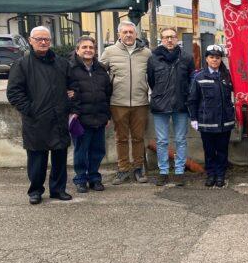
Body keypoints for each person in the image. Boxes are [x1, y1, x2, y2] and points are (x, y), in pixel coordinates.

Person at [6, 26, 72, 204]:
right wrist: (30, 110)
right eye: (39, 39)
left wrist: (69, 103)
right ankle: (35, 191)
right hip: (36, 121)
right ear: (30, 40)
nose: (43, 42)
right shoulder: (22, 64)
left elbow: (72, 86)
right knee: (37, 160)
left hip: (59, 118)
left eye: (46, 39)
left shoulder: (62, 63)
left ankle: (58, 189)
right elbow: (14, 93)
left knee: (59, 158)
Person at [100, 21, 152, 184]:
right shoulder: (109, 52)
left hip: (140, 102)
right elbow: (99, 75)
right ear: (119, 35)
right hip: (118, 102)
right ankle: (123, 168)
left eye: (131, 32)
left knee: (138, 137)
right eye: (125, 32)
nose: (128, 35)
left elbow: (153, 75)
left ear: (136, 34)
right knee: (121, 138)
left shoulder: (146, 53)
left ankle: (138, 168)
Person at [147, 27, 195, 187]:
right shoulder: (153, 58)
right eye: (166, 37)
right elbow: (151, 81)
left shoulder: (186, 58)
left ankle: (179, 172)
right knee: (161, 141)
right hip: (160, 105)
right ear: (161, 39)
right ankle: (163, 172)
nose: (169, 40)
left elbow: (191, 80)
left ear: (177, 39)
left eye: (172, 37)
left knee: (181, 140)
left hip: (181, 105)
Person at [68, 36, 112, 193]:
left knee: (98, 151)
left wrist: (107, 116)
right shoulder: (70, 69)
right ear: (77, 50)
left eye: (91, 48)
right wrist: (73, 112)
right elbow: (66, 93)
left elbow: (107, 94)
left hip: (99, 117)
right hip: (80, 119)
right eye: (84, 47)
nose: (88, 50)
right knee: (81, 151)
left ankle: (94, 178)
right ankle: (80, 179)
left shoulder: (100, 69)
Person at [187, 44, 235, 188]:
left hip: (224, 121)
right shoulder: (199, 76)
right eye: (212, 57)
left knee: (222, 150)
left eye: (218, 57)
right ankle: (211, 174)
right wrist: (194, 118)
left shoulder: (227, 76)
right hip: (207, 122)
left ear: (221, 59)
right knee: (209, 151)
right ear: (206, 59)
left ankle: (220, 175)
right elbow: (192, 100)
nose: (215, 60)